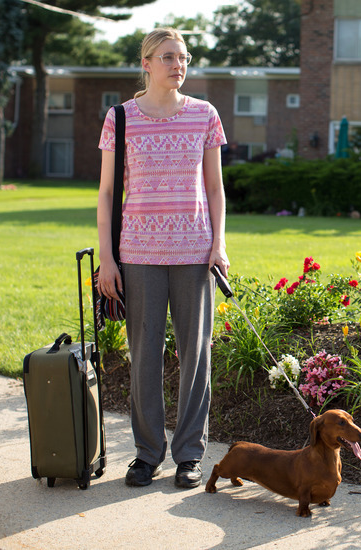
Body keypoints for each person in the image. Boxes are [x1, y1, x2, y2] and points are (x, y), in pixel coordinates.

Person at [96, 28, 229, 488]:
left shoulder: (204, 115)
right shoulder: (120, 118)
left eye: (184, 57)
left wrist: (219, 244)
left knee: (197, 356)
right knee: (145, 357)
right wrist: (108, 259)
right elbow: (108, 192)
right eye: (169, 57)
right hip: (137, 253)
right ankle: (147, 455)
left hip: (195, 252)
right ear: (147, 63)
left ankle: (190, 454)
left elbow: (214, 187)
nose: (179, 64)